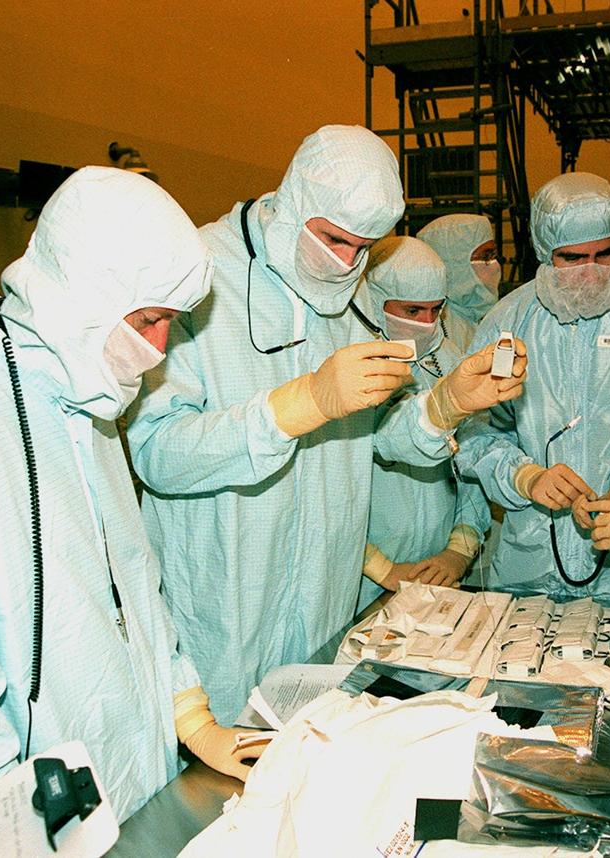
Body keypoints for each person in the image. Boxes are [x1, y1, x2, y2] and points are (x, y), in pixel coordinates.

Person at [0, 167, 256, 829]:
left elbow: (136, 581)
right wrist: (2, 827)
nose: (156, 352)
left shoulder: (86, 389)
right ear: (86, 294)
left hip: (131, 783)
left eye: (169, 324)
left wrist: (189, 714)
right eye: (149, 320)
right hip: (22, 816)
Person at [127, 125, 527, 723]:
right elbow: (158, 451)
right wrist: (298, 405)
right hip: (225, 602)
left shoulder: (350, 293)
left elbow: (377, 432)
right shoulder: (201, 276)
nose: (345, 263)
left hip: (324, 598)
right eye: (335, 241)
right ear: (292, 207)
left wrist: (444, 404)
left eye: (363, 248)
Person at [456, 172, 610, 603]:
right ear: (544, 252)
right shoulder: (506, 327)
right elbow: (476, 432)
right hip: (525, 569)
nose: (591, 271)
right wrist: (524, 476)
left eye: (604, 254)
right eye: (572, 258)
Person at [355, 236, 493, 610]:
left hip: (437, 572)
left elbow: (471, 461)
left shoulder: (447, 362)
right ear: (373, 299)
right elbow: (324, 490)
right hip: (360, 582)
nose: (427, 324)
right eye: (412, 311)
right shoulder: (350, 369)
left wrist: (459, 550)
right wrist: (379, 567)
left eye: (436, 310)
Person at [418, 213, 501, 351]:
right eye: (485, 256)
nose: (495, 266)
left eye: (493, 255)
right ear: (454, 263)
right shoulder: (433, 327)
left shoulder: (483, 315)